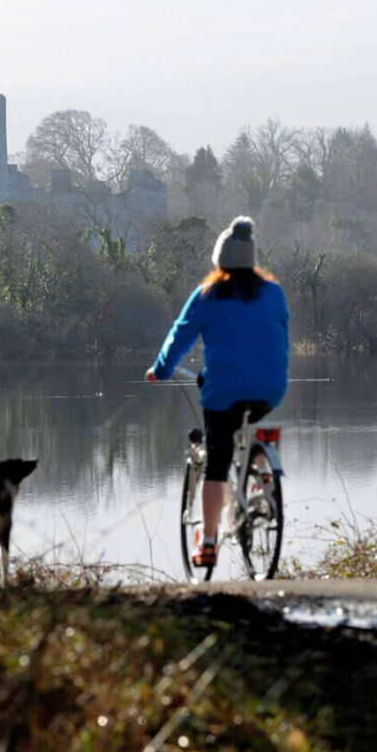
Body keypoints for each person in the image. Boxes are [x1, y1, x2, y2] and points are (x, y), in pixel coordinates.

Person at [145, 215, 289, 567]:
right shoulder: (273, 293)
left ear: (219, 260)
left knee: (217, 460)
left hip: (223, 391)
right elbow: (281, 336)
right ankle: (261, 473)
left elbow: (179, 337)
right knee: (250, 426)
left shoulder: (208, 295)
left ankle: (208, 541)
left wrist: (160, 370)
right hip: (270, 389)